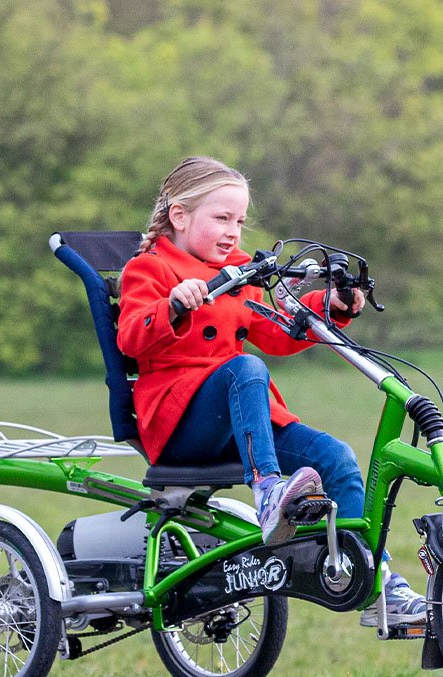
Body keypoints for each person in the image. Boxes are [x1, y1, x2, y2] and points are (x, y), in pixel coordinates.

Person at [116, 156, 425, 627]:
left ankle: (377, 583)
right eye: (221, 218)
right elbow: (131, 336)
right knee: (244, 368)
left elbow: (279, 331)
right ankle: (267, 493)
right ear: (179, 216)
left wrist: (331, 306)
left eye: (239, 221)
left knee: (335, 456)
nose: (233, 232)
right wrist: (174, 304)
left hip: (242, 421)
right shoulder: (150, 269)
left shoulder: (239, 274)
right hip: (180, 426)